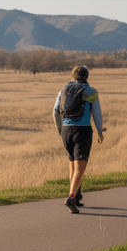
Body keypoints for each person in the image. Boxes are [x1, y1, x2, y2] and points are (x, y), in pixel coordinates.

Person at [53, 65, 105, 214]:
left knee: (72, 165)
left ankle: (75, 196)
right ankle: (70, 198)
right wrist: (100, 132)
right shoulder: (90, 91)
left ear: (73, 76)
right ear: (86, 76)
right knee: (80, 168)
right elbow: (96, 114)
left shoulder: (63, 90)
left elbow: (55, 112)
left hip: (66, 130)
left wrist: (60, 130)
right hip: (82, 131)